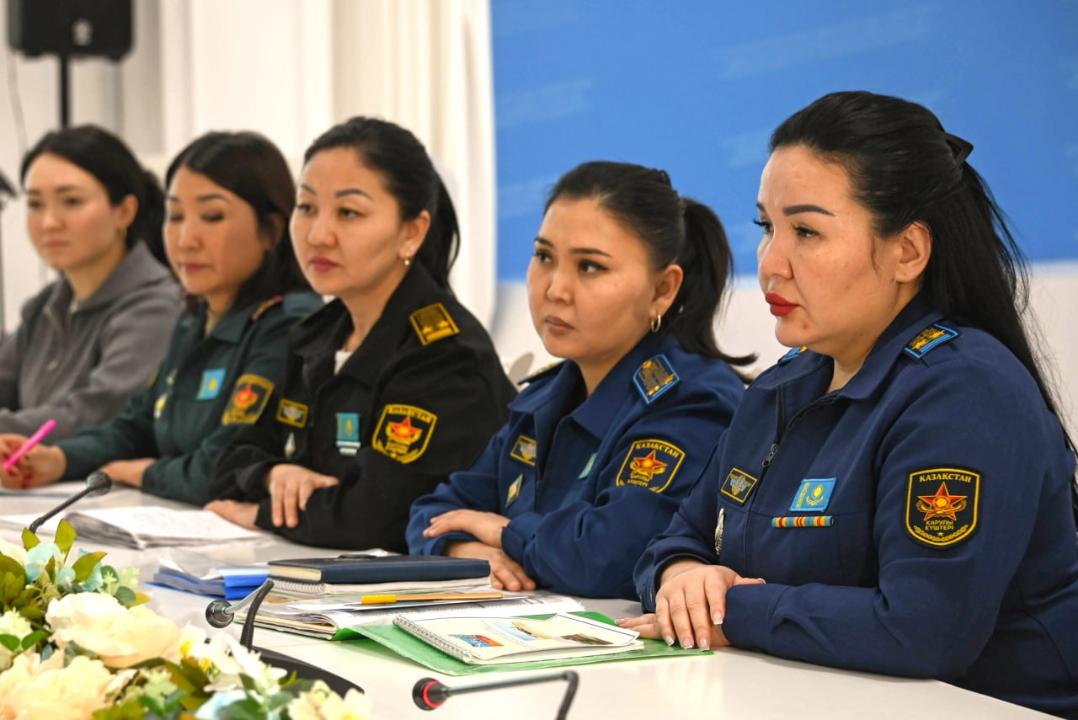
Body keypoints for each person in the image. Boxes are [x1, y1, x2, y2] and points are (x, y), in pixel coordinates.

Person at [625, 91, 1078, 717]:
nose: (770, 264)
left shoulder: (966, 393)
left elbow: (923, 629)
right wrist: (680, 578)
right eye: (767, 228)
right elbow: (676, 538)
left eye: (807, 232)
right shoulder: (784, 384)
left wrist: (733, 608)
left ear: (907, 252)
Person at [407, 161, 751, 599]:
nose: (555, 289)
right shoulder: (548, 395)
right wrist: (466, 548)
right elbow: (431, 511)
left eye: (589, 267)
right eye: (544, 257)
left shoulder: (692, 401)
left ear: (662, 289)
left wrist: (504, 532)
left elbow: (605, 557)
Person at [205, 117, 515, 552]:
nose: (318, 235)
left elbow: (372, 518)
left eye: (348, 213)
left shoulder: (445, 354)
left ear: (412, 232)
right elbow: (225, 462)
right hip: (308, 565)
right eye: (306, 207)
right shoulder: (316, 334)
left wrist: (259, 513)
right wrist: (274, 475)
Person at [0, 131, 321, 505]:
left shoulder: (287, 323)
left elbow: (225, 465)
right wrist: (59, 459)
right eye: (176, 216)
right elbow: (137, 424)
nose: (186, 240)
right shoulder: (194, 319)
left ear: (272, 230)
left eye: (212, 217)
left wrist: (141, 472)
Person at [0, 126, 180, 439]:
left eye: (71, 202)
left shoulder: (157, 306)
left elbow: (94, 414)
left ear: (124, 212)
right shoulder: (45, 306)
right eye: (35, 204)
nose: (49, 222)